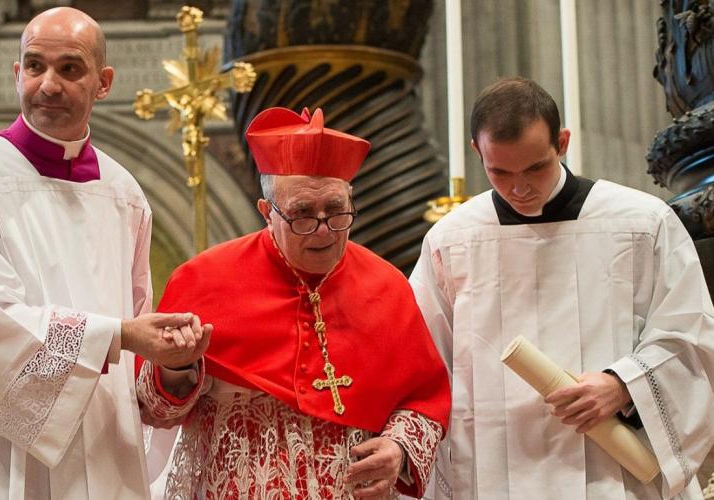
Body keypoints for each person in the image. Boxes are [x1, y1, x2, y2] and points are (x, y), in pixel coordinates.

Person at [410, 77, 714, 499]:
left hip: (612, 471)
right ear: (477, 152)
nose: (520, 188)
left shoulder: (641, 223)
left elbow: (693, 336)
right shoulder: (451, 241)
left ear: (563, 142)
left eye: (535, 167)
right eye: (499, 172)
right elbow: (422, 365)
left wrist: (622, 384)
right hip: (492, 474)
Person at [136, 106, 451, 499]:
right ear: (267, 213)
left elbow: (424, 399)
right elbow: (151, 408)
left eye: (336, 212)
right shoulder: (203, 281)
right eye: (302, 214)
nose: (323, 230)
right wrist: (178, 366)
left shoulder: (386, 285)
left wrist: (397, 449)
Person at [0, 7, 210, 500]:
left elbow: (142, 333)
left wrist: (173, 367)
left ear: (103, 82)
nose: (48, 84)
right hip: (3, 451)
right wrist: (117, 337)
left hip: (108, 447)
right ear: (17, 74)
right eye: (34, 66)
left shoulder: (125, 194)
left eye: (69, 69)